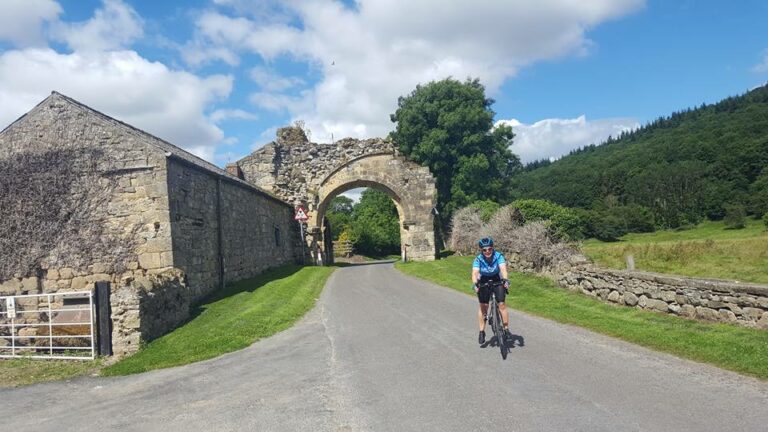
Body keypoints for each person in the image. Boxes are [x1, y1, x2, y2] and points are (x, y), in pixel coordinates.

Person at [471, 237, 510, 344]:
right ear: (481, 250)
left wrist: (505, 280)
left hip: (497, 279)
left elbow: (503, 269)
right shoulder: (478, 259)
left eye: (489, 249)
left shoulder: (498, 256)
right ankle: (481, 331)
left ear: (492, 248)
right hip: (483, 280)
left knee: (501, 304)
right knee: (484, 306)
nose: (487, 251)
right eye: (484, 250)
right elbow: (475, 273)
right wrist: (475, 283)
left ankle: (506, 328)